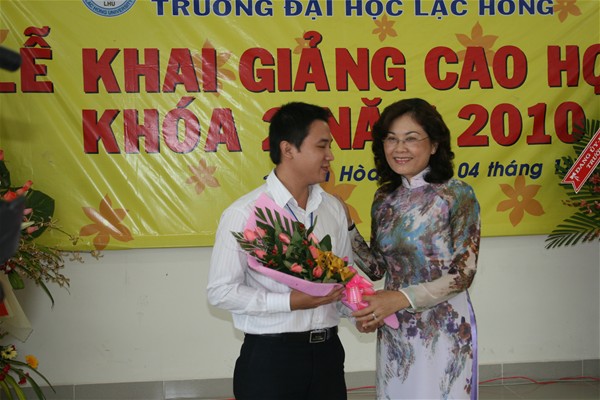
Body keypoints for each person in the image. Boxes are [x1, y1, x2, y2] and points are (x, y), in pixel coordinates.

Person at [207, 102, 353, 400]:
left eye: (330, 146)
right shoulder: (244, 213)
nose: (330, 155)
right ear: (288, 149)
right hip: (271, 359)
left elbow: (341, 280)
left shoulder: (333, 209)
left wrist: (358, 310)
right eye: (322, 146)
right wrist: (288, 302)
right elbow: (220, 292)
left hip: (328, 355)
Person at [343, 98, 481, 399]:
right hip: (395, 327)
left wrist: (401, 298)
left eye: (411, 138)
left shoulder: (457, 194)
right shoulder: (384, 198)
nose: (399, 148)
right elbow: (377, 268)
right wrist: (348, 225)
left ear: (434, 145)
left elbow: (463, 275)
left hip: (443, 328)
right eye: (391, 139)